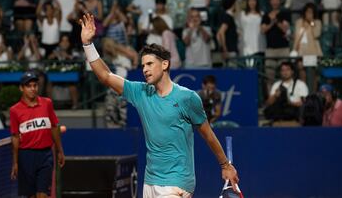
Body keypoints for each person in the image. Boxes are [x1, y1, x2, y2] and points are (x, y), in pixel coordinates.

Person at [79, 13, 239, 197]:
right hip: (150, 182)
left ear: (164, 64)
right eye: (143, 66)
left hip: (177, 182)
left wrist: (225, 165)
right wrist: (88, 44)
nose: (145, 69)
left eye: (149, 64)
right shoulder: (140, 92)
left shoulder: (188, 98)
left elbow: (208, 135)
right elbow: (106, 76)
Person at [9, 71, 65, 198]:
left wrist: (60, 150)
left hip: (45, 155)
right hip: (26, 156)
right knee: (31, 196)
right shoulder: (14, 110)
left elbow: (54, 127)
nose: (33, 89)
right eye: (29, 86)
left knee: (42, 194)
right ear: (21, 88)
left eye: (35, 85)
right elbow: (15, 136)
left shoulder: (47, 103)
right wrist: (15, 162)